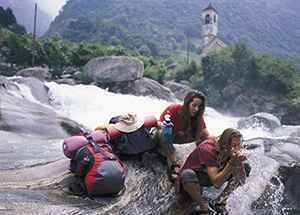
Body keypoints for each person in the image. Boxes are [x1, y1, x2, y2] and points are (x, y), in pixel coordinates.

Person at [174, 128, 249, 215]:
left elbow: (241, 180)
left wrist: (238, 161)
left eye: (238, 145)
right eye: (233, 145)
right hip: (195, 178)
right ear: (225, 143)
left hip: (211, 175)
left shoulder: (231, 149)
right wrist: (232, 161)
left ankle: (219, 202)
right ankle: (203, 208)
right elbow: (217, 184)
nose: (236, 148)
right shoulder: (208, 148)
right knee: (187, 174)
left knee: (246, 167)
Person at [155, 90, 216, 182]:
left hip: (174, 137)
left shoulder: (197, 118)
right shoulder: (174, 109)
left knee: (198, 135)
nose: (196, 109)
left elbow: (207, 135)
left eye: (199, 107)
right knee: (165, 132)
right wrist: (162, 125)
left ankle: (201, 162)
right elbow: (157, 122)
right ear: (187, 103)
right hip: (159, 136)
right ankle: (175, 164)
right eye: (194, 105)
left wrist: (222, 137)